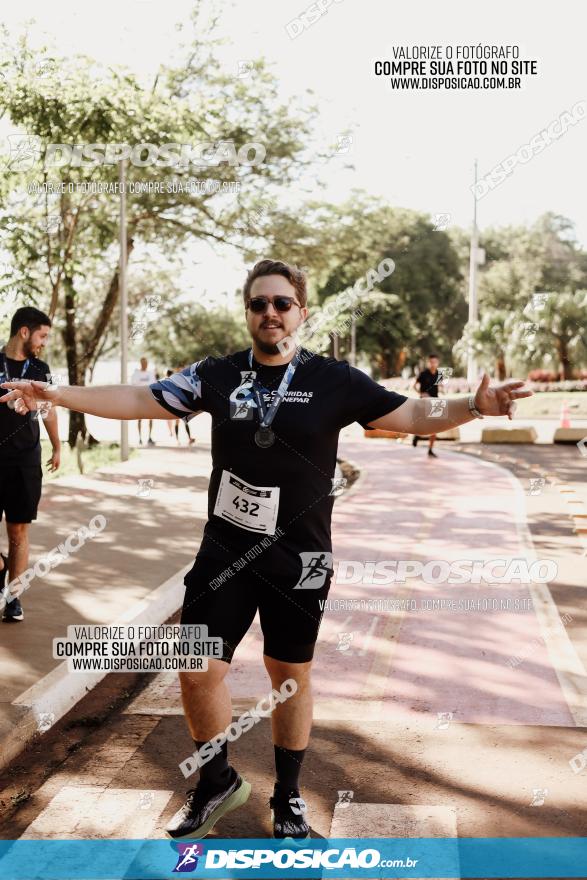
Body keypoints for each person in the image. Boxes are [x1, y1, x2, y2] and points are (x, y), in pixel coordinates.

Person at [0, 259, 531, 838]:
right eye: (259, 304)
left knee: (289, 674)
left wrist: (476, 406)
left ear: (301, 311)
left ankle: (288, 796)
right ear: (248, 313)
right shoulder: (217, 375)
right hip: (225, 552)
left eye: (281, 303)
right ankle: (216, 781)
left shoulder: (335, 380)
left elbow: (409, 414)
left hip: (300, 558)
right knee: (197, 670)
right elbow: (139, 398)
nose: (270, 313)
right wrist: (55, 392)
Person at [0, 307, 61, 622]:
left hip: (25, 460)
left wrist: (58, 445)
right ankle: (2, 568)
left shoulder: (40, 368)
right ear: (24, 332)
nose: (43, 343)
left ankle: (13, 597)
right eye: (42, 335)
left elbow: (49, 408)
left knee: (18, 531)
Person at [413, 353, 441, 458]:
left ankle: (430, 449)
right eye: (431, 362)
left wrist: (443, 390)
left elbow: (440, 387)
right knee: (423, 423)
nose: (433, 364)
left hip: (436, 402)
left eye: (435, 362)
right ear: (428, 363)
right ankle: (416, 436)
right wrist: (421, 394)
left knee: (435, 426)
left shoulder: (439, 374)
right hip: (424, 402)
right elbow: (414, 386)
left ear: (438, 363)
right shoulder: (423, 374)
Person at [165, 369, 195, 446]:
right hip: (176, 405)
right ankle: (179, 439)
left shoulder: (169, 383)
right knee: (180, 422)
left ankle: (186, 438)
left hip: (178, 404)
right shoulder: (168, 383)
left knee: (183, 422)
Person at [131, 357, 156, 446]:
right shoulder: (136, 374)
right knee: (139, 419)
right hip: (139, 399)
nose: (145, 365)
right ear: (140, 363)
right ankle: (140, 438)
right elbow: (133, 386)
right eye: (143, 363)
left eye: (146, 363)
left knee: (151, 419)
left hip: (149, 399)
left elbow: (154, 385)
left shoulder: (150, 374)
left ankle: (149, 437)